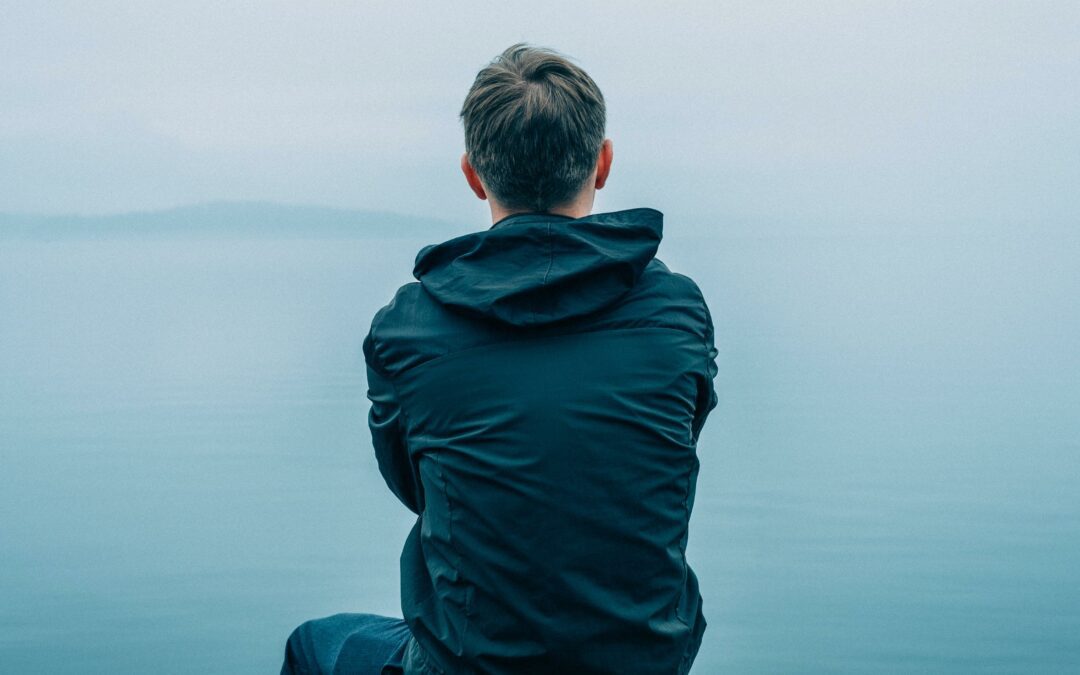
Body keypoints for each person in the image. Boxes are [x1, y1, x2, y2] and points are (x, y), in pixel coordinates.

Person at [282, 43, 718, 675]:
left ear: (473, 174)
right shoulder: (676, 312)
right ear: (603, 163)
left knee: (314, 645)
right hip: (646, 661)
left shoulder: (409, 330)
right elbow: (659, 451)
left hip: (470, 665)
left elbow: (416, 488)